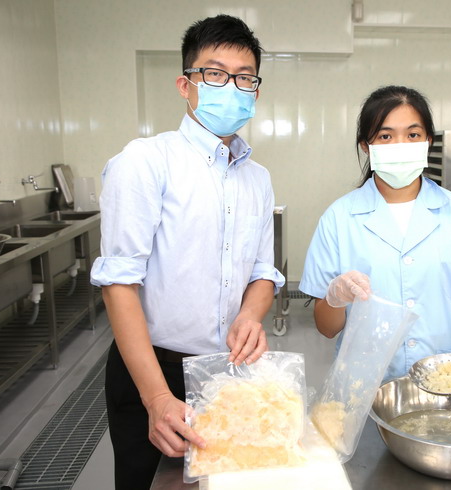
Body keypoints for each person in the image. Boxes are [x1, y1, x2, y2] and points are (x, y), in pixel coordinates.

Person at [90, 15, 284, 489]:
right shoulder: (146, 161)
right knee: (148, 481)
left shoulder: (257, 179)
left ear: (255, 91)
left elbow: (262, 272)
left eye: (244, 78)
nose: (231, 87)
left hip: (227, 371)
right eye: (215, 74)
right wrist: (156, 398)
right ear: (185, 84)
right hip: (153, 369)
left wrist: (250, 316)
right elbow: (119, 285)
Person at [299, 85, 451, 382]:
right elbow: (326, 328)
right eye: (385, 136)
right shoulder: (338, 218)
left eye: (413, 135)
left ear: (428, 140)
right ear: (367, 145)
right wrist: (336, 298)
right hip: (366, 384)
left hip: (445, 377)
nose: (400, 145)